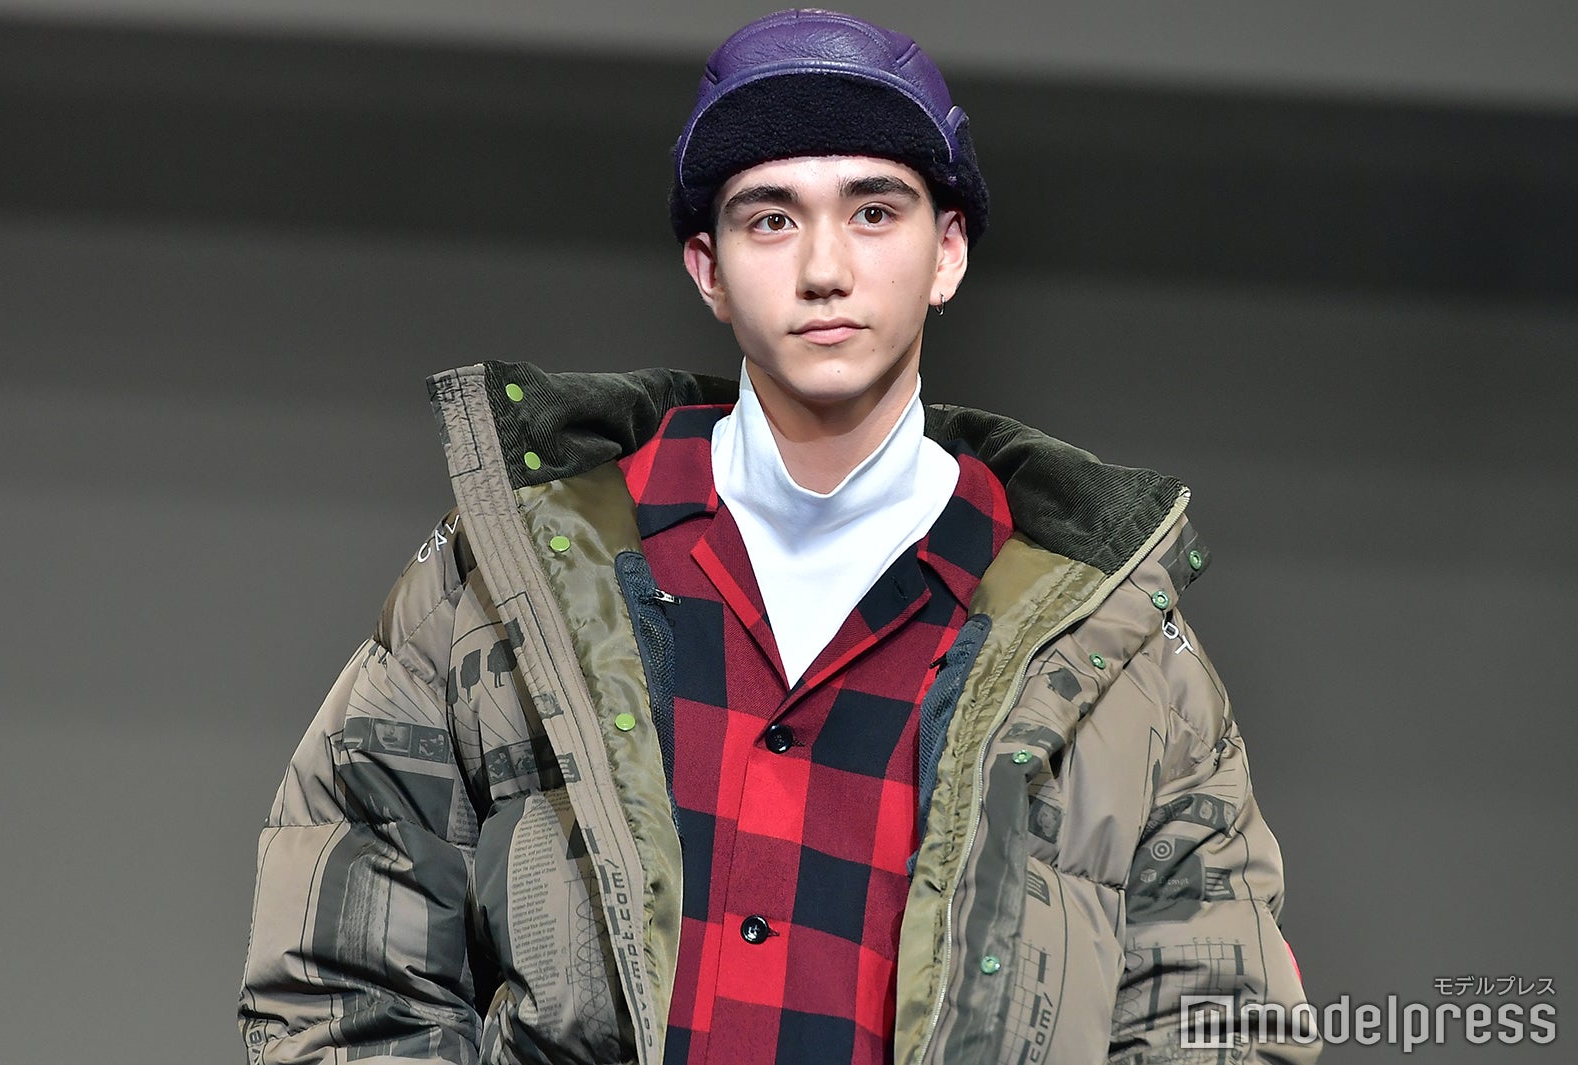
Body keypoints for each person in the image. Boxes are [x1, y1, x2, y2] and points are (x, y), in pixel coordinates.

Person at [239, 9, 1318, 1065]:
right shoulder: (507, 582)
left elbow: (1219, 1025)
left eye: (874, 211)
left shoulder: (1117, 656)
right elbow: (343, 980)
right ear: (707, 269)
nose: (823, 267)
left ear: (947, 253)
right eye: (770, 219)